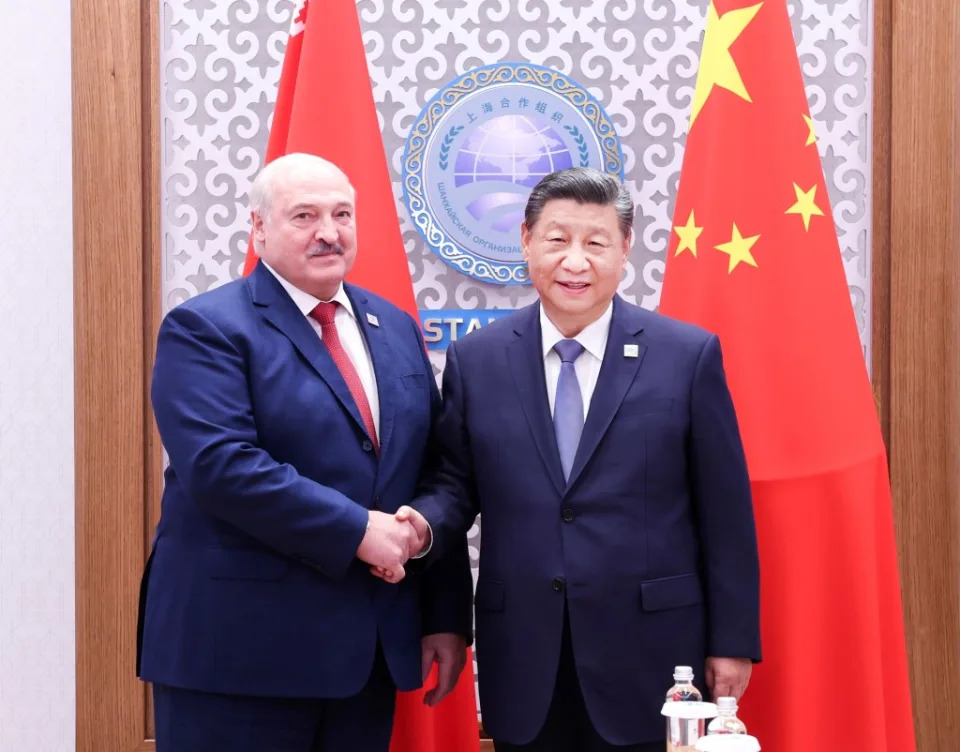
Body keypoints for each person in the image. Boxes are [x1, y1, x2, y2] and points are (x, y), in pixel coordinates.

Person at [390, 167, 761, 751]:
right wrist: (423, 526)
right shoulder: (477, 360)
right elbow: (455, 486)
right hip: (525, 651)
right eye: (558, 239)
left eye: (596, 242)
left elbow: (726, 513)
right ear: (526, 241)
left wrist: (732, 640)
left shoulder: (686, 357)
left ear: (625, 250)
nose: (575, 261)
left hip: (655, 655)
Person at [137, 153, 472, 752]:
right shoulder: (205, 328)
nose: (328, 231)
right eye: (305, 215)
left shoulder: (393, 326)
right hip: (238, 660)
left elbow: (434, 467)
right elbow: (221, 466)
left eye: (342, 214)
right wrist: (357, 531)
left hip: (365, 658)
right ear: (259, 229)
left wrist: (441, 609)